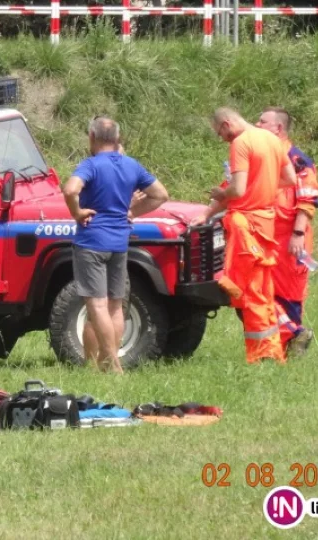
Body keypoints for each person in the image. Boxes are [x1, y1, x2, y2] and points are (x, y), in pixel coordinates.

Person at [62, 116, 169, 373]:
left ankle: (112, 361)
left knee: (96, 305)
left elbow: (69, 190)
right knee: (115, 305)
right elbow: (161, 195)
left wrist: (77, 213)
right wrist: (132, 211)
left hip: (91, 242)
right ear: (118, 138)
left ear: (92, 136)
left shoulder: (91, 165)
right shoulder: (131, 165)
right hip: (119, 243)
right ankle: (98, 362)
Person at [191, 107, 297, 364]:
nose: (222, 138)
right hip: (266, 223)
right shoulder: (273, 140)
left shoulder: (240, 143)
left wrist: (221, 194)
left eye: (220, 133)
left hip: (245, 225)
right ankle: (271, 350)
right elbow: (290, 178)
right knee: (262, 288)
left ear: (227, 124)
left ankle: (264, 354)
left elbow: (236, 190)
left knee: (250, 293)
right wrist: (263, 186)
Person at [256, 107, 318, 357]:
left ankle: (292, 337)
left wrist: (298, 233)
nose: (257, 124)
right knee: (262, 291)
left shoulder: (296, 159)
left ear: (278, 128)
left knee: (289, 295)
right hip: (267, 237)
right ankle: (287, 340)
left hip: (291, 240)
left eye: (262, 121)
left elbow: (308, 199)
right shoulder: (263, 155)